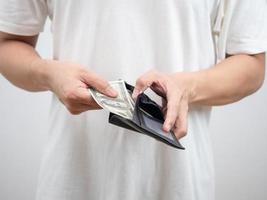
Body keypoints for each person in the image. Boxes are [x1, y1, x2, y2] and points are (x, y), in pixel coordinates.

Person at [0, 0, 266, 199]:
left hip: (179, 184)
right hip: (72, 180)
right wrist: (48, 74)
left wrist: (188, 88)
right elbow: (8, 42)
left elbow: (252, 63)